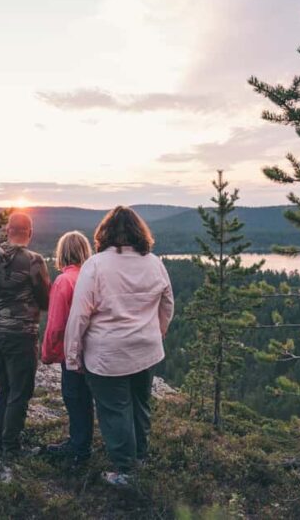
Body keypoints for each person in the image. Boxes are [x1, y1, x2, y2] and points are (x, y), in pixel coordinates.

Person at [64, 206, 174, 485]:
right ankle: (139, 457)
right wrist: (158, 332)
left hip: (108, 355)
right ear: (140, 232)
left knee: (115, 410)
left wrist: (72, 356)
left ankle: (125, 472)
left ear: (105, 233)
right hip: (146, 350)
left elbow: (79, 315)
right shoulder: (154, 262)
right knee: (140, 405)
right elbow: (167, 304)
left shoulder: (96, 265)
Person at [0, 212, 51, 457]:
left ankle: (0, 442)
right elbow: (45, 299)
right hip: (20, 334)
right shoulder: (34, 261)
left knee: (4, 388)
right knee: (20, 391)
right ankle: (11, 448)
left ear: (7, 230)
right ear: (29, 233)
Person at [41, 231, 95, 466]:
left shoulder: (64, 281)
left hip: (72, 351)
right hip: (95, 348)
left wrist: (48, 353)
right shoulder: (91, 276)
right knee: (86, 399)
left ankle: (79, 449)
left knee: (74, 398)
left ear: (62, 253)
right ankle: (79, 442)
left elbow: (56, 324)